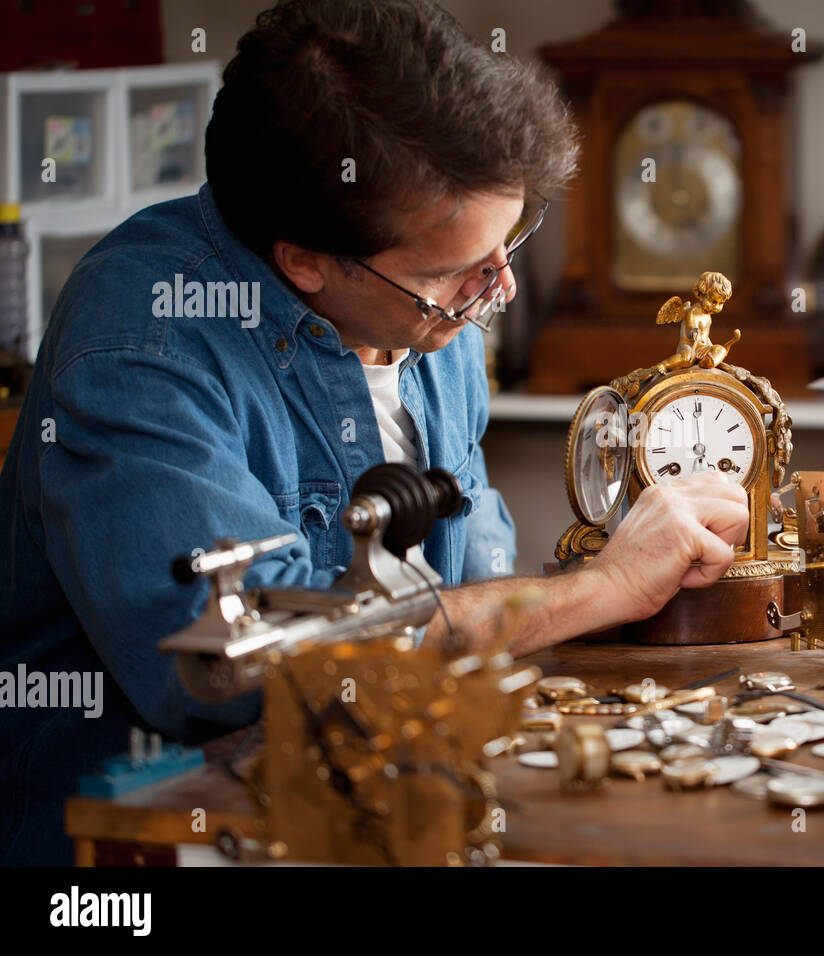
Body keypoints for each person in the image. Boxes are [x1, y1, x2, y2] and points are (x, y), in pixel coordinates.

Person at [0, 0, 747, 864]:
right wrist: (604, 586)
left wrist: (626, 593)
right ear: (305, 260)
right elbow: (240, 682)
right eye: (453, 275)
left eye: (510, 243)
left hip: (399, 794)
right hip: (161, 841)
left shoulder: (433, 316)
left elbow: (472, 586)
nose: (496, 292)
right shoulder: (142, 339)